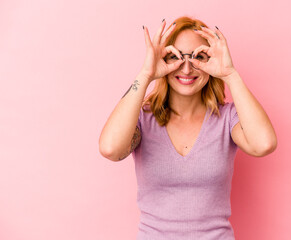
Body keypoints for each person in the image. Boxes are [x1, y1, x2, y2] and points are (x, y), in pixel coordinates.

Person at [99, 16, 277, 240]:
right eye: (175, 56)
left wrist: (231, 74)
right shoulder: (143, 119)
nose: (186, 68)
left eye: (197, 57)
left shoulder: (227, 118)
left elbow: (264, 144)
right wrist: (145, 75)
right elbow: (110, 149)